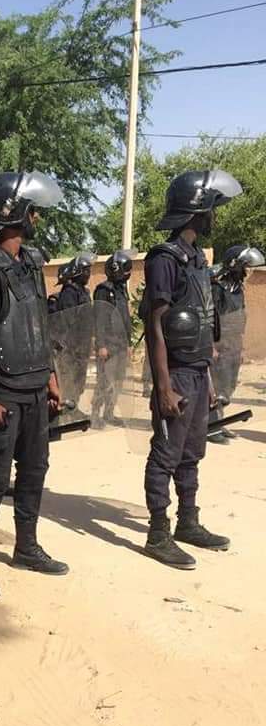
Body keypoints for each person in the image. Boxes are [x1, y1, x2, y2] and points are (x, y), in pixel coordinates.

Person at [0, 170, 68, 601]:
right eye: (31, 211)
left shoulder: (32, 263)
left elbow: (39, 324)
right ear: (13, 214)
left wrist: (52, 376)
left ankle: (26, 547)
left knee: (35, 470)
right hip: (2, 392)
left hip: (36, 386)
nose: (36, 218)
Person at [142, 168, 243, 569]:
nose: (214, 216)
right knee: (165, 454)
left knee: (191, 453)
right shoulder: (164, 259)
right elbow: (155, 325)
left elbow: (201, 320)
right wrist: (164, 386)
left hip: (198, 371)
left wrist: (209, 378)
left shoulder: (198, 259)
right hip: (177, 372)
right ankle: (157, 534)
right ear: (195, 210)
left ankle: (188, 522)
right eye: (211, 209)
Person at [208, 244, 264, 443]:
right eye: (246, 267)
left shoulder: (238, 289)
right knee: (215, 386)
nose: (249, 272)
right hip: (219, 344)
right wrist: (211, 346)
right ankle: (210, 426)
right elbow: (210, 318)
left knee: (227, 386)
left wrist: (241, 347)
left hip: (233, 344)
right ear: (235, 266)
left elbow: (241, 317)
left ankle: (219, 422)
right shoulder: (217, 288)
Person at [91, 250, 133, 428]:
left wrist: (129, 344)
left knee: (117, 381)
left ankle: (109, 413)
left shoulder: (121, 290)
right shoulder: (103, 290)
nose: (129, 272)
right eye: (126, 269)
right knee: (104, 381)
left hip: (121, 344)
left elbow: (125, 318)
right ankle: (95, 415)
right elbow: (99, 319)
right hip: (108, 345)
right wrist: (101, 345)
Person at [49, 253, 95, 414]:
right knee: (68, 380)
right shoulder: (70, 291)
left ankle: (74, 408)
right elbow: (67, 321)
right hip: (71, 347)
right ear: (77, 271)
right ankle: (65, 411)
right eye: (86, 270)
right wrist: (69, 346)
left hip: (82, 346)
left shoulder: (84, 292)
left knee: (79, 380)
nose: (88, 274)